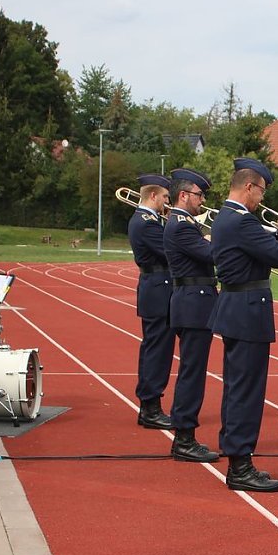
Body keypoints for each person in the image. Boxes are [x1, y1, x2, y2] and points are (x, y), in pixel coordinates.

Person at [208, 157, 278, 492]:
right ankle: (240, 465)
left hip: (237, 309)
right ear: (248, 186)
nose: (262, 199)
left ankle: (236, 454)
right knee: (246, 391)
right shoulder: (242, 222)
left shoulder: (226, 218)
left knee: (236, 387)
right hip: (247, 311)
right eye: (260, 191)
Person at [163, 167, 219, 463]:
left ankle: (184, 434)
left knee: (191, 372)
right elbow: (211, 255)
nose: (202, 200)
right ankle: (184, 438)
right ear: (183, 195)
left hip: (194, 303)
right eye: (199, 194)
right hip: (194, 304)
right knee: (192, 374)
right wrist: (221, 235)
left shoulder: (182, 223)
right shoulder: (182, 225)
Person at [128, 174, 175, 430]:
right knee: (157, 351)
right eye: (166, 197)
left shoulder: (150, 220)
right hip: (158, 290)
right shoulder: (146, 223)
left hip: (156, 289)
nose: (168, 202)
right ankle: (150, 407)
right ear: (153, 196)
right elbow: (170, 251)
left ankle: (150, 405)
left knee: (155, 349)